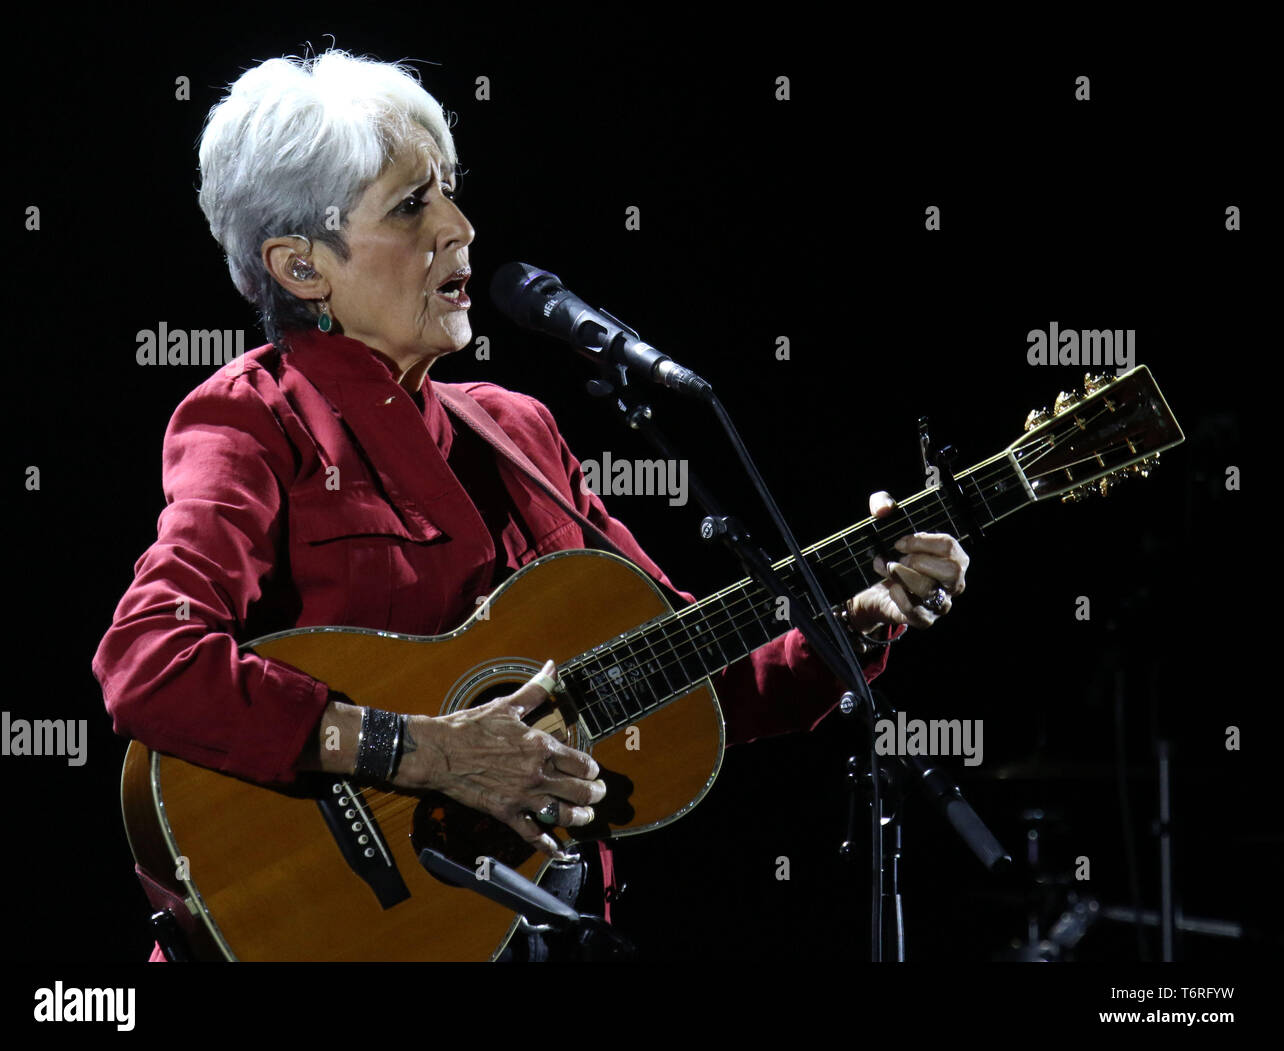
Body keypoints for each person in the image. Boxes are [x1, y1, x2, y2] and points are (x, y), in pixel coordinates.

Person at [92, 49, 970, 961]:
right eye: (411, 206)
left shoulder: (520, 432)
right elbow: (148, 659)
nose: (462, 228)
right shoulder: (252, 418)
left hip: (541, 933)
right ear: (302, 266)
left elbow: (693, 683)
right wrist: (421, 750)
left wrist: (855, 624)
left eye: (451, 192)